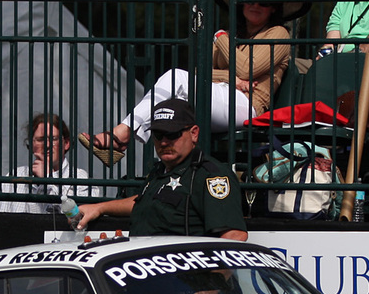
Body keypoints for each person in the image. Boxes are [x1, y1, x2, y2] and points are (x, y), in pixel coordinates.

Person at [80, 0, 307, 165]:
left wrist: (220, 39)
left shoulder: (277, 33)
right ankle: (163, 170)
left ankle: (121, 136)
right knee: (173, 102)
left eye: (263, 1)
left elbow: (248, 68)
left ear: (274, 8)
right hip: (220, 98)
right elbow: (201, 72)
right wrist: (233, 80)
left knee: (176, 79)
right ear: (241, 2)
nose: (255, 5)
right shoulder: (231, 35)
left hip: (249, 106)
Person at [74, 98, 248, 240]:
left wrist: (210, 281)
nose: (164, 142)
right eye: (158, 135)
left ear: (194, 133)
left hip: (184, 278)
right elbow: (144, 202)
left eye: (172, 135)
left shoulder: (211, 176)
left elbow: (235, 236)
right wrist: (100, 208)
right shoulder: (160, 171)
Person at [0, 113, 105, 212]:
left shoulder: (81, 180)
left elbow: (79, 221)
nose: (47, 145)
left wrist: (48, 180)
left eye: (53, 139)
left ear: (66, 143)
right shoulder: (14, 176)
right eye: (40, 140)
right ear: (31, 144)